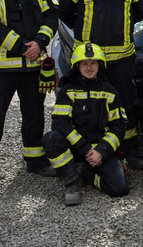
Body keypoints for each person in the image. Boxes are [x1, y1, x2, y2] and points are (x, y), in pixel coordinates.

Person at [59, 0, 143, 170]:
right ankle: (86, 151)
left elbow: (139, 13)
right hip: (88, 61)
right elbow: (65, 13)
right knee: (87, 104)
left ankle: (129, 151)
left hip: (121, 59)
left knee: (125, 105)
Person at [0, 0, 58, 176]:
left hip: (33, 68)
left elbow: (52, 16)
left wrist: (41, 42)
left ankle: (35, 160)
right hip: (3, 69)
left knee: (34, 114)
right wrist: (22, 46)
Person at [44, 42, 129, 205]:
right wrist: (86, 149)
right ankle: (71, 182)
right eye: (85, 64)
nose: (89, 68)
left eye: (93, 63)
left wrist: (101, 151)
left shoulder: (109, 92)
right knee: (52, 138)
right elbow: (61, 125)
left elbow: (118, 128)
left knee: (119, 189)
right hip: (75, 149)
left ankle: (86, 173)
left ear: (100, 65)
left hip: (100, 150)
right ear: (77, 66)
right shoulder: (68, 91)